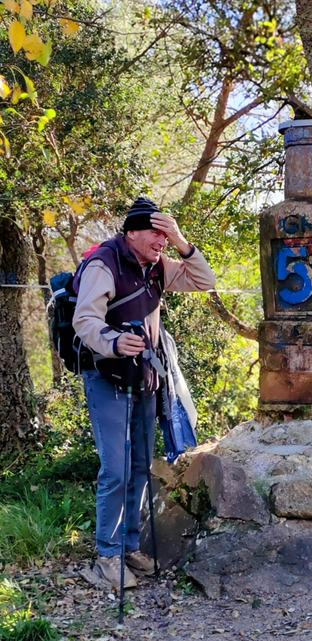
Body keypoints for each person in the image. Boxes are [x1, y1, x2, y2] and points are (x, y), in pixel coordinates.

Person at [73, 197, 216, 589]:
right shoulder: (105, 264)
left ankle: (130, 547)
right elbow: (84, 319)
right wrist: (115, 343)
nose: (161, 240)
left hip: (146, 381)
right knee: (116, 470)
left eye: (164, 233)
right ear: (131, 233)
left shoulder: (156, 267)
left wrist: (182, 241)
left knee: (140, 467)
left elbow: (205, 281)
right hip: (109, 379)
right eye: (155, 232)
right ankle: (107, 556)